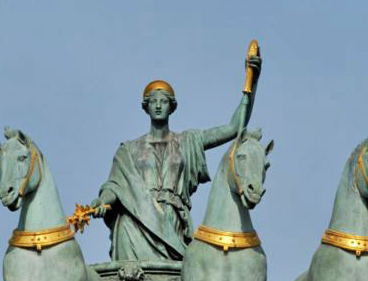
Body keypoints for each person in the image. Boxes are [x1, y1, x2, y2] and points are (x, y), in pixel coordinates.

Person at [90, 55, 262, 261]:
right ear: (146, 107)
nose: (158, 106)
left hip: (173, 221)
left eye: (164, 101)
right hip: (135, 223)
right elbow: (115, 186)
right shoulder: (128, 150)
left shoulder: (188, 142)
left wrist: (251, 83)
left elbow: (234, 128)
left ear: (172, 107)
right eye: (153, 101)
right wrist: (102, 201)